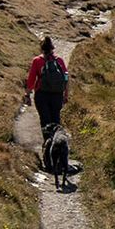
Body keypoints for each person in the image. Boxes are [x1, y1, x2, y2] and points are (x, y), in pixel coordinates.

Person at [23, 36, 69, 165]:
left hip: (42, 95)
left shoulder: (37, 61)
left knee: (45, 123)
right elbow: (66, 78)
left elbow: (31, 80)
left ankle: (47, 155)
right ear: (52, 48)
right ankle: (59, 154)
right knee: (56, 122)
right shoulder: (59, 60)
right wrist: (66, 95)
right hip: (57, 95)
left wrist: (27, 95)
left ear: (42, 48)